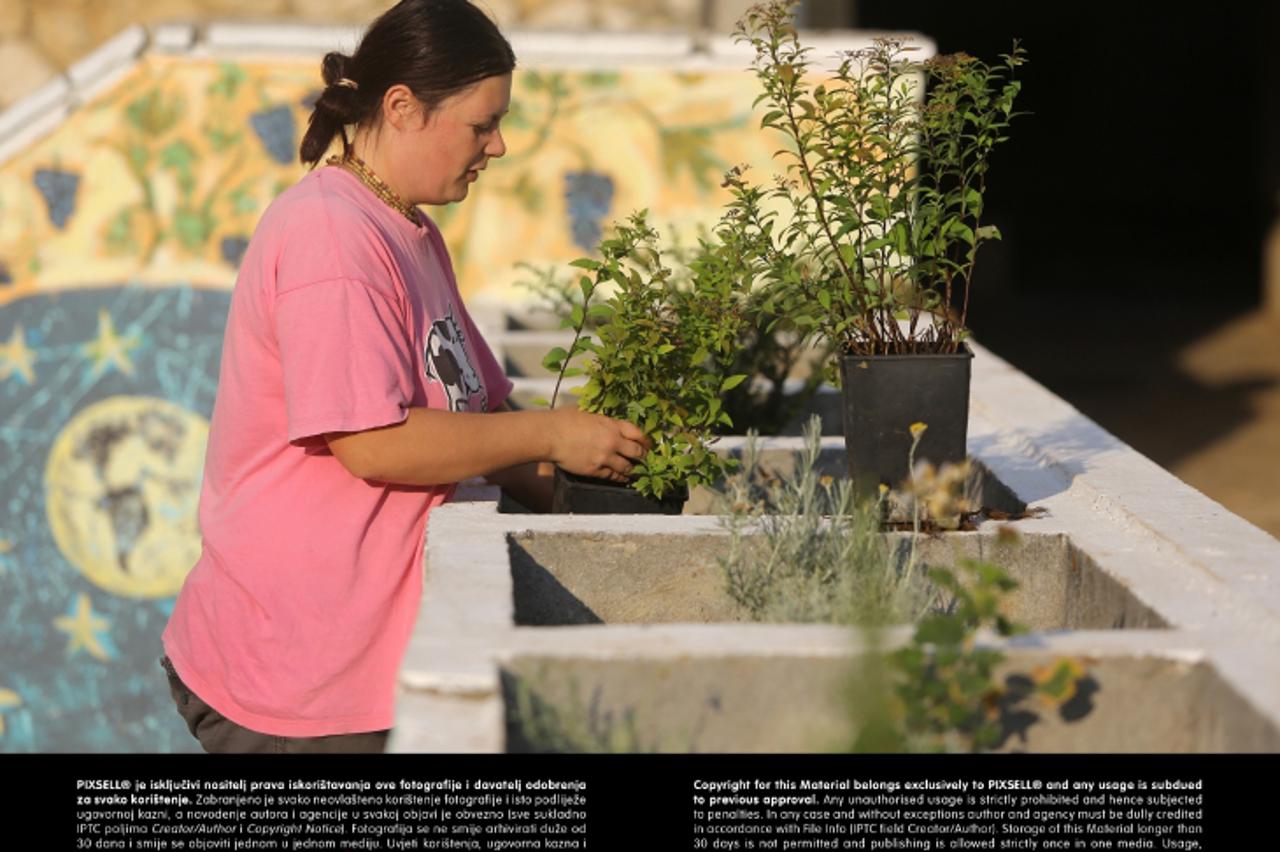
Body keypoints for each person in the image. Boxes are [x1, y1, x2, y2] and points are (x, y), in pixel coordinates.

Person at [159, 0, 649, 754]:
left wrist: (610, 491)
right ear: (402, 107)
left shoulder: (408, 231)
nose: (500, 145)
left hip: (364, 662)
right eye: (481, 124)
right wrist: (555, 431)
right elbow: (372, 442)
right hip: (301, 677)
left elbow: (485, 425)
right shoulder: (331, 235)